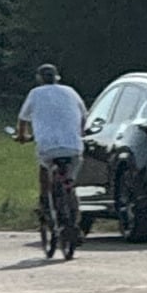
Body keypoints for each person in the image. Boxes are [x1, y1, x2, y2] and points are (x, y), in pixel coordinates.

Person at [16, 63, 87, 223]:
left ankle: (45, 203)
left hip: (47, 146)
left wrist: (22, 136)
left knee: (44, 169)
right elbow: (84, 116)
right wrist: (80, 133)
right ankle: (71, 206)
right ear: (57, 78)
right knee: (70, 179)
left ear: (39, 79)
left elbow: (23, 119)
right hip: (73, 146)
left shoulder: (35, 94)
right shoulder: (71, 91)